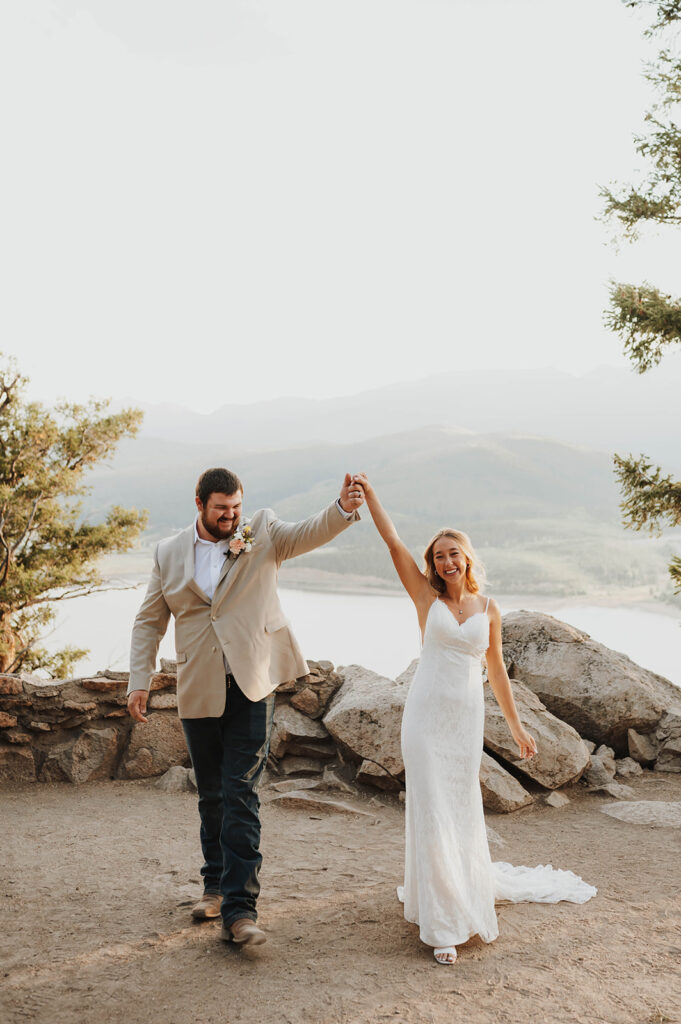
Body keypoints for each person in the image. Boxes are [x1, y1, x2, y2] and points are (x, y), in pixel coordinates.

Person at [353, 472, 596, 966]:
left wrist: (517, 728)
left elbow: (497, 671)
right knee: (432, 809)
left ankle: (449, 893)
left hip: (463, 722)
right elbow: (393, 541)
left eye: (453, 554)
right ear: (433, 563)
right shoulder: (427, 598)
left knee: (459, 811)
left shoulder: (488, 608)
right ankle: (442, 922)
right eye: (439, 555)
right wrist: (372, 497)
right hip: (424, 718)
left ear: (466, 558)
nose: (446, 562)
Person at [127, 467, 363, 947]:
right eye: (221, 510)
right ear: (199, 503)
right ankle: (214, 886)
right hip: (199, 685)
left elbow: (306, 534)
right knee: (211, 793)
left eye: (236, 508)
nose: (231, 518)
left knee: (240, 792)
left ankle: (240, 910)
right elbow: (149, 621)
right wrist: (139, 681)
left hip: (253, 684)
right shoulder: (168, 553)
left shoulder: (262, 530)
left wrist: (343, 509)